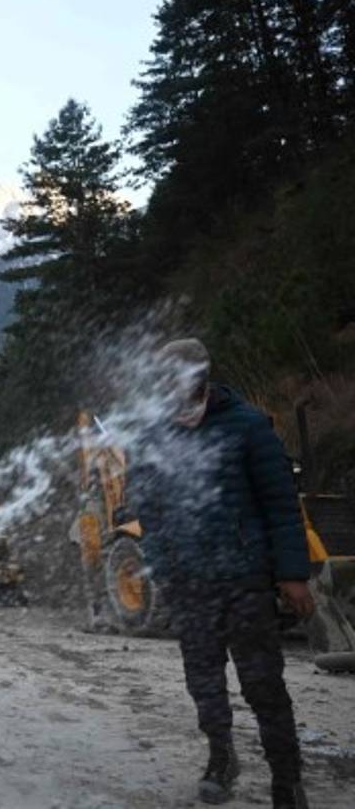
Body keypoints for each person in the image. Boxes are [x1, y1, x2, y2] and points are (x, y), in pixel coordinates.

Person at [132, 339, 314, 809]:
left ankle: (286, 779)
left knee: (264, 686)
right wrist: (164, 568)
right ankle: (221, 758)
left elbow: (280, 505)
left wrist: (292, 574)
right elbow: (147, 512)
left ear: (201, 375)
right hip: (190, 583)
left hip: (245, 580)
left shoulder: (248, 426)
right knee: (204, 683)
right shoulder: (154, 437)